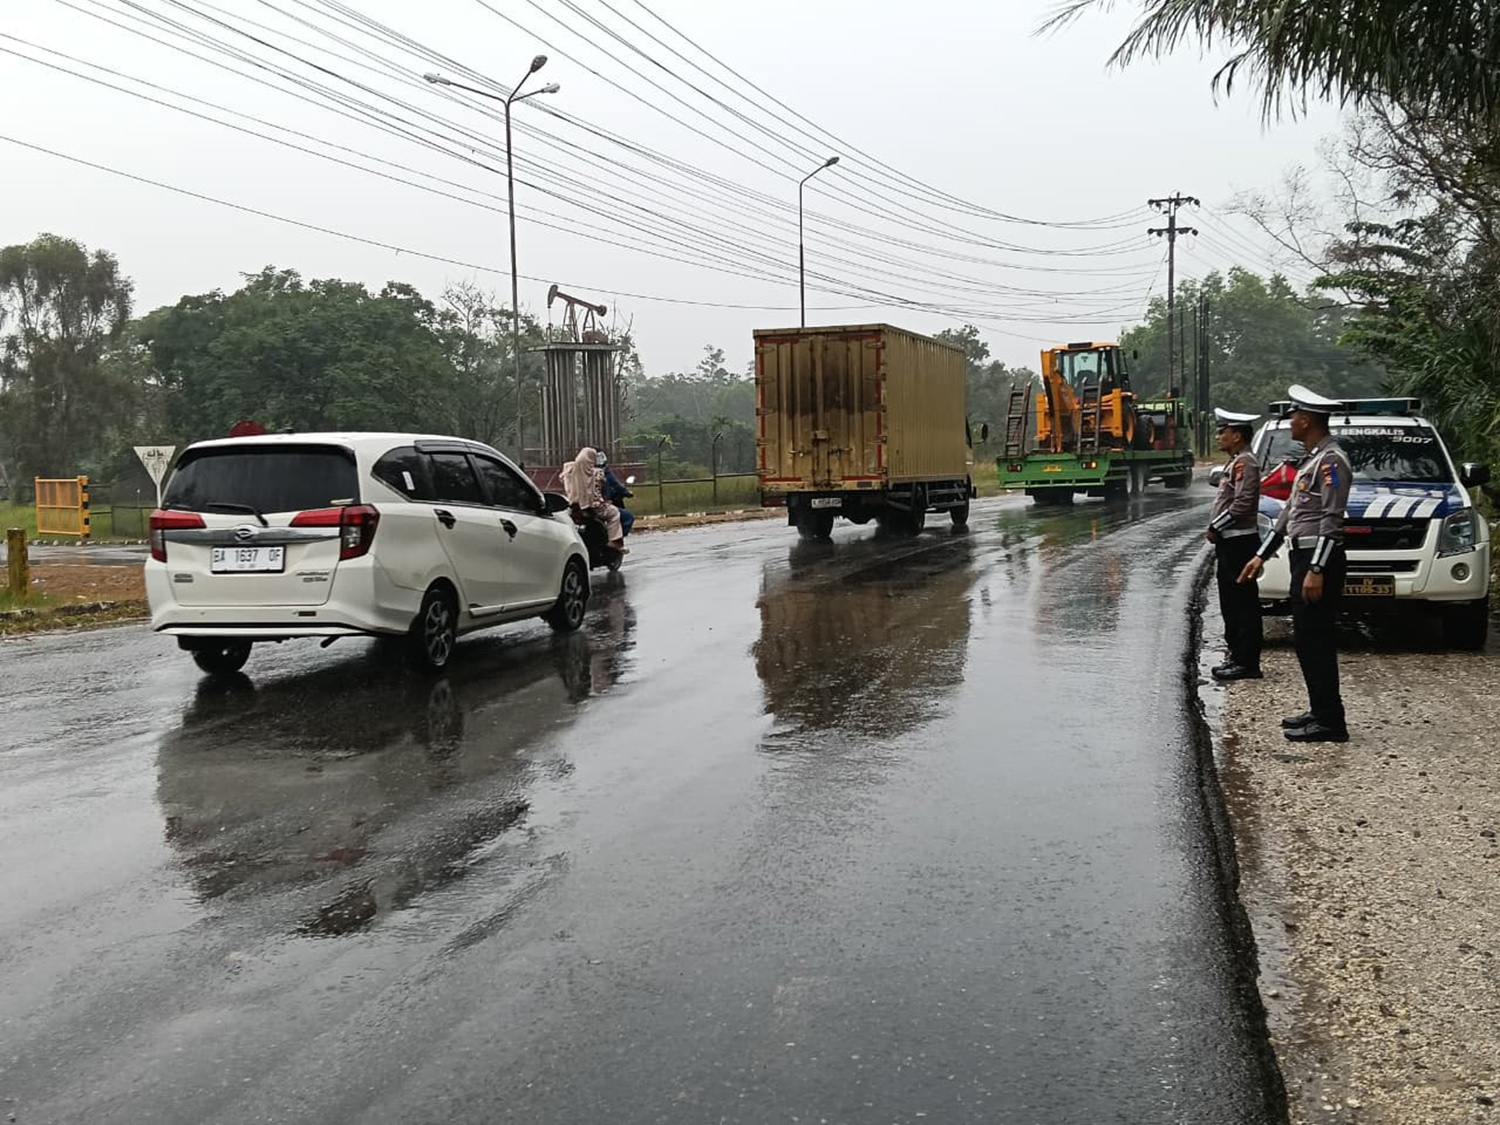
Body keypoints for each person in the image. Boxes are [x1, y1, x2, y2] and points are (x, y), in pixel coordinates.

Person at [1239, 386, 1353, 743]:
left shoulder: (1332, 461)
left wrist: (1316, 570)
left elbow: (1331, 520)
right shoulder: (1313, 459)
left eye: (1294, 416)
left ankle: (1331, 722)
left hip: (1319, 559)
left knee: (1316, 639)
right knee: (1305, 638)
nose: (1290, 422)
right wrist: (1261, 555)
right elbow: (1289, 516)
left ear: (1307, 420)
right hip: (1302, 555)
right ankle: (1320, 710)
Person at [1206, 407, 1263, 681]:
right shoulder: (1236, 462)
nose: (1218, 437)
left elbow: (1242, 504)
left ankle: (1247, 662)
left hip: (1240, 542)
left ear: (1237, 436)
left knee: (1242, 604)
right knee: (1230, 603)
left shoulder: (1245, 463)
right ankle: (1237, 655)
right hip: (1230, 543)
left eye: (1223, 432)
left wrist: (1215, 527)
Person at [561, 446, 625, 552]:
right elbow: (602, 488)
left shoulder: (568, 469)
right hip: (593, 507)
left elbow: (562, 479)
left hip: (574, 506)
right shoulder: (596, 472)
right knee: (614, 513)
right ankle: (614, 541)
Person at [596, 450, 635, 537]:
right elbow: (616, 485)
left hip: (583, 506)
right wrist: (626, 492)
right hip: (600, 506)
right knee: (628, 517)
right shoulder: (604, 473)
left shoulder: (581, 472)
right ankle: (616, 539)